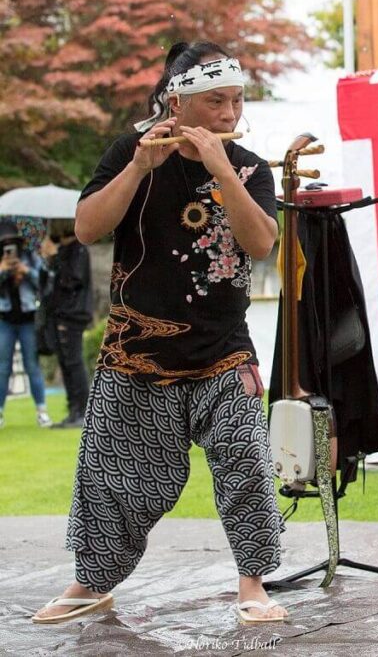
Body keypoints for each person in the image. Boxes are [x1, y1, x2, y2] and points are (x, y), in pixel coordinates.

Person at [32, 41, 286, 624]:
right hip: (135, 348)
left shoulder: (248, 165)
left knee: (244, 456)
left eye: (237, 100)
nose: (229, 113)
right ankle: (91, 581)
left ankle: (252, 585)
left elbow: (261, 243)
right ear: (178, 102)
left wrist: (222, 170)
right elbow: (88, 228)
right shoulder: (131, 149)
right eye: (215, 101)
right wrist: (139, 167)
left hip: (224, 348)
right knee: (110, 470)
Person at [39, 218, 93, 428]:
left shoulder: (78, 250)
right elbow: (47, 285)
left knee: (74, 361)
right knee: (65, 361)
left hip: (73, 314)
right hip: (58, 313)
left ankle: (82, 411)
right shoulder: (64, 251)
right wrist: (49, 260)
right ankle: (73, 410)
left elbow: (72, 280)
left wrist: (55, 259)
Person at [0, 221, 52, 428]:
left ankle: (42, 411)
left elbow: (45, 283)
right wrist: (3, 270)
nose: (9, 247)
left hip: (28, 320)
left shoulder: (30, 258)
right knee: (3, 368)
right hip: (4, 320)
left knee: (33, 367)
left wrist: (26, 271)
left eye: (12, 243)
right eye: (5, 243)